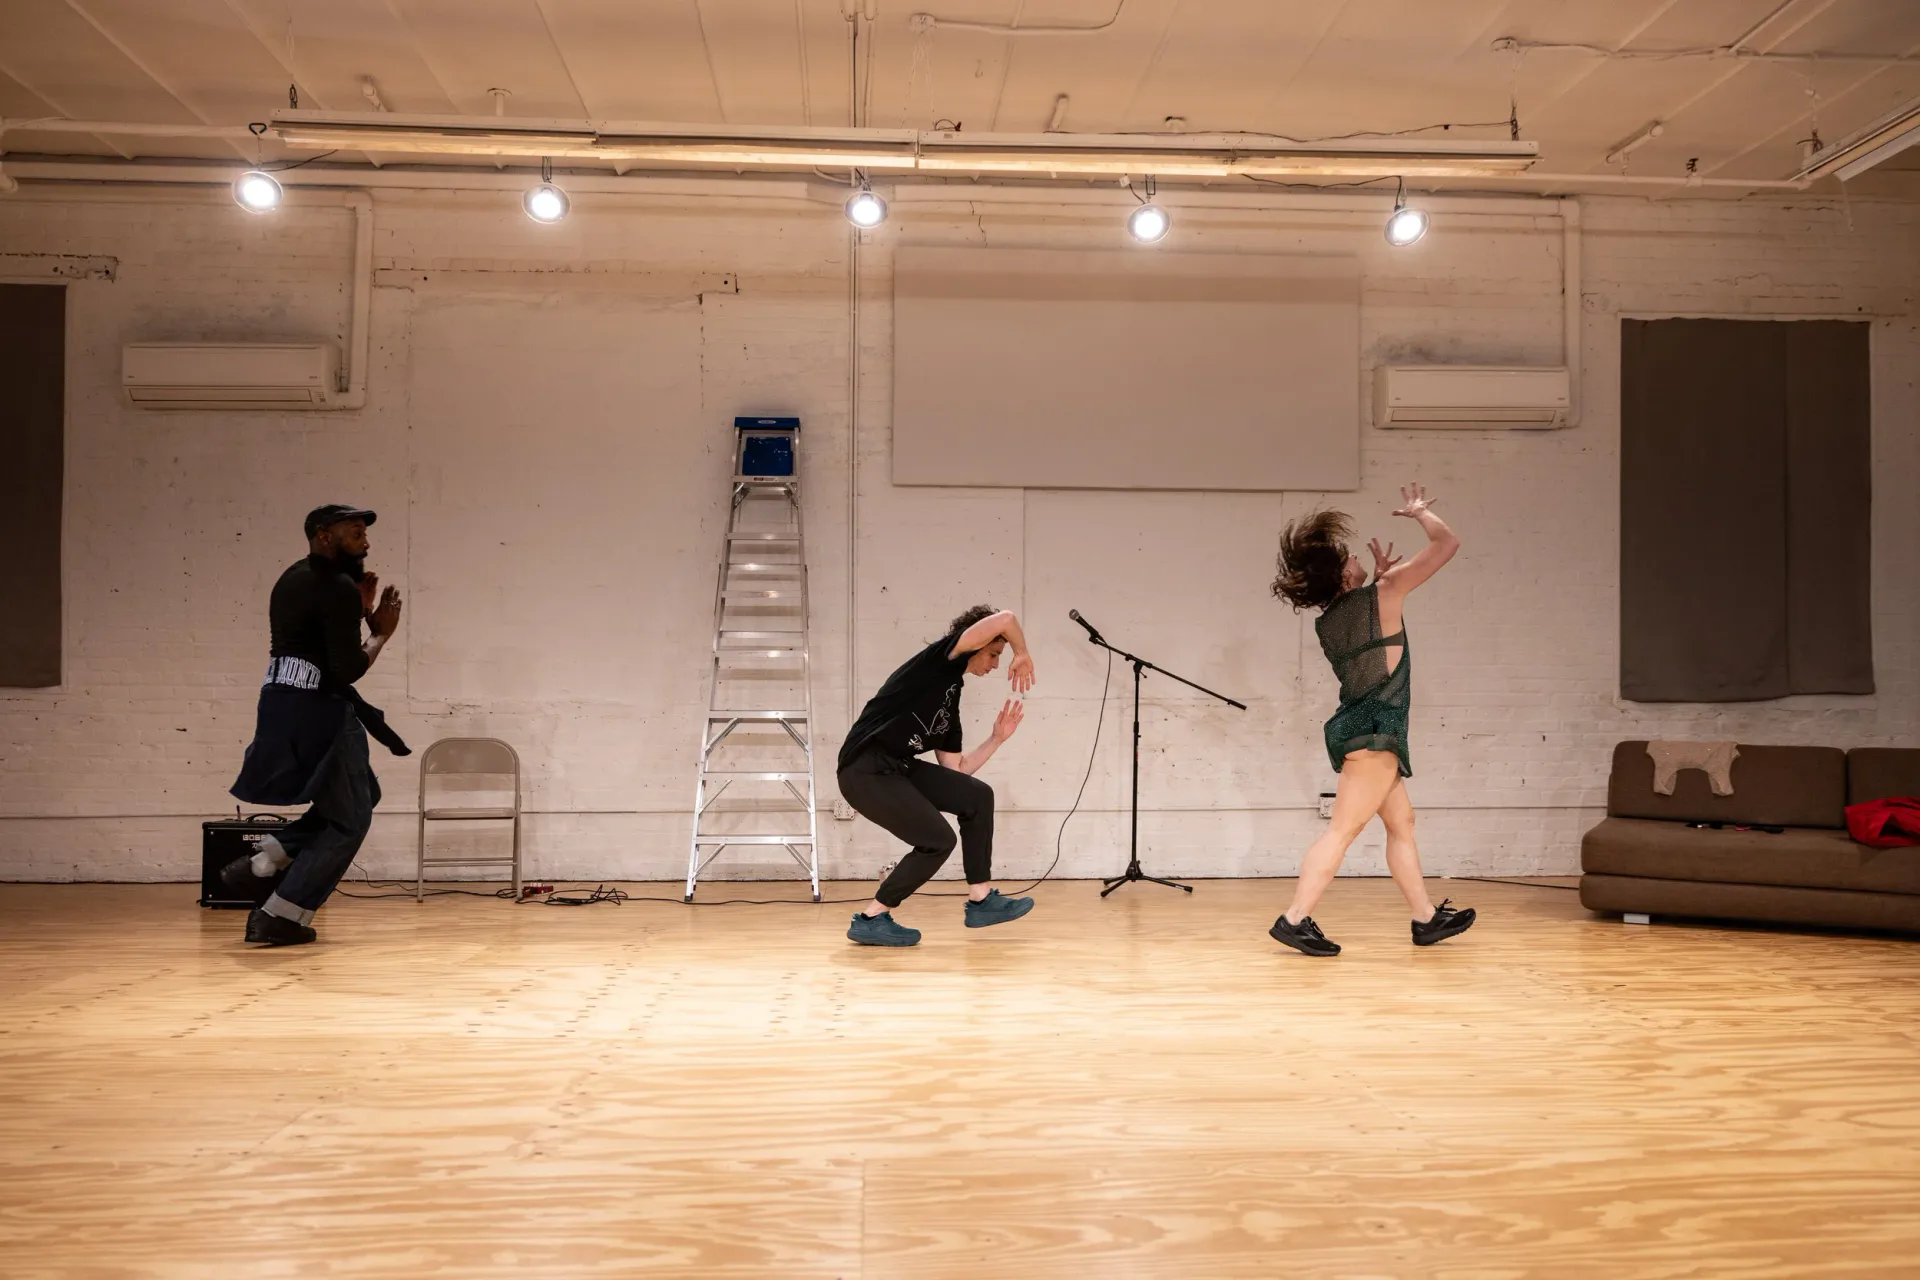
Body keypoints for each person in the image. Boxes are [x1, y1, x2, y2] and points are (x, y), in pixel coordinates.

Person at [1266, 483, 1475, 957]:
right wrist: (1422, 514)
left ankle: (1425, 919)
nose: (1358, 559)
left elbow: (1365, 625)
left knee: (1403, 824)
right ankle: (1294, 919)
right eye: (1349, 559)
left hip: (1361, 730)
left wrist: (1376, 582)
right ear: (1343, 576)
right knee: (1341, 831)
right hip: (1376, 734)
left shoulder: (1332, 619)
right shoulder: (1384, 592)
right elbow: (1447, 546)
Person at [222, 504, 408, 946]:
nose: (365, 540)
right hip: (318, 710)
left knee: (364, 793)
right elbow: (345, 668)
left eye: (365, 532)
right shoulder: (338, 587)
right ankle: (280, 915)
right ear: (324, 536)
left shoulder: (293, 576)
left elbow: (314, 637)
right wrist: (379, 631)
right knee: (350, 821)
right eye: (355, 532)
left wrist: (354, 610)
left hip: (282, 702)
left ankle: (263, 862)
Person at [837, 606, 1036, 947]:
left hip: (896, 766)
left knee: (976, 796)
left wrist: (996, 739)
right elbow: (1005, 619)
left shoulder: (949, 701)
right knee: (938, 840)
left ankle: (981, 900)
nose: (995, 664)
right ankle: (871, 917)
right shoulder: (939, 661)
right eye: (992, 653)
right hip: (864, 767)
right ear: (975, 643)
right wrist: (1022, 652)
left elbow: (957, 773)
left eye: (1000, 656)